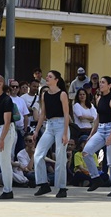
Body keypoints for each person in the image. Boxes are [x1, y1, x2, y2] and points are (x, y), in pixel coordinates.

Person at [82, 76, 111, 197]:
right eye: (100, 82)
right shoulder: (99, 98)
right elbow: (97, 119)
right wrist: (91, 134)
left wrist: (110, 136)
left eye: (103, 82)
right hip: (100, 130)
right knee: (86, 152)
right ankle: (96, 178)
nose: (101, 84)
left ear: (110, 85)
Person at [32, 70, 70, 198]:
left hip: (61, 126)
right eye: (47, 76)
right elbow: (42, 114)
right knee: (38, 154)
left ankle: (62, 187)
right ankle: (43, 184)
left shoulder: (62, 94)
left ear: (56, 80)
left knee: (60, 157)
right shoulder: (45, 95)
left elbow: (66, 115)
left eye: (50, 76)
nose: (47, 78)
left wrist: (65, 133)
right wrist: (36, 130)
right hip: (49, 126)